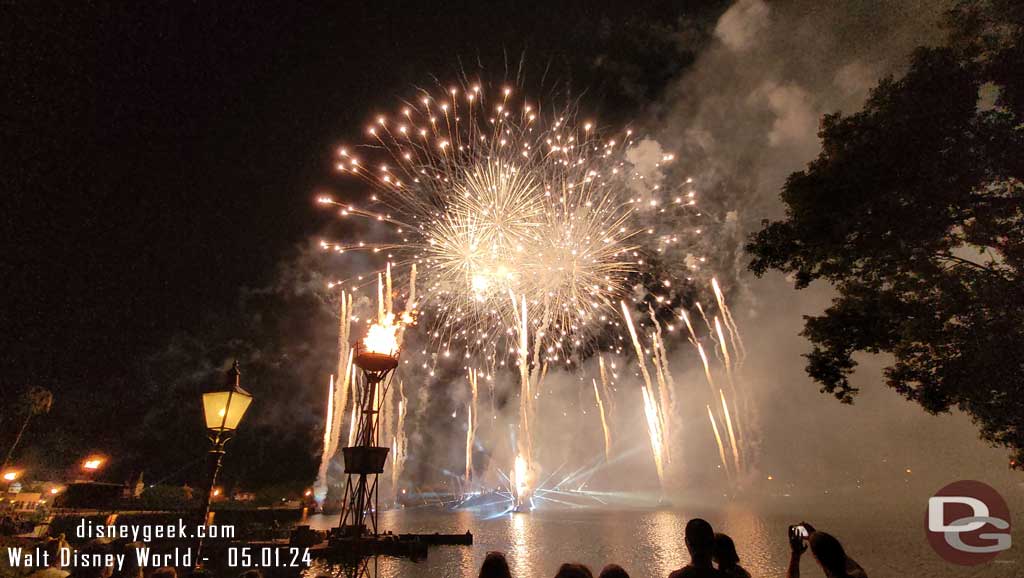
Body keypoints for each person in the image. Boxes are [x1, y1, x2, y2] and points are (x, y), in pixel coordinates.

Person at [787, 522, 867, 578]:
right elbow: (835, 559)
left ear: (818, 560)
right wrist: (814, 535)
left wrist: (795, 555)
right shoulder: (860, 575)